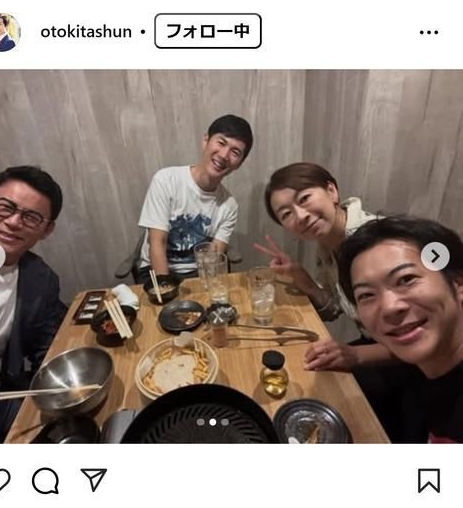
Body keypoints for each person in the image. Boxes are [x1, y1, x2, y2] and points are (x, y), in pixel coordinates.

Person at [254, 162, 393, 369]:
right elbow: (333, 310)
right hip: (376, 346)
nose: (301, 216)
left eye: (304, 199)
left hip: (415, 364)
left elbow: (425, 335)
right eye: (286, 214)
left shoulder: (376, 244)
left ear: (332, 191)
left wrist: (356, 355)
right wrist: (300, 275)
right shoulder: (327, 243)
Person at [0, 166, 67, 442]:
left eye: (31, 217)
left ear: (47, 229)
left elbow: (48, 346)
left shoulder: (41, 278)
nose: (13, 222)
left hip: (0, 405)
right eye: (5, 207)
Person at [338, 216, 463, 443]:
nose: (389, 307)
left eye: (406, 279)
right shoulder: (420, 377)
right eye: (366, 295)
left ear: (458, 283)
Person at [136, 114, 253, 284]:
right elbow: (157, 243)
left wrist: (205, 288)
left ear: (240, 163)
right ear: (205, 141)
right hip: (156, 271)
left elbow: (214, 256)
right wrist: (166, 288)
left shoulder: (229, 206)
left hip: (198, 273)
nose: (224, 155)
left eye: (235, 152)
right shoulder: (166, 180)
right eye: (221, 143)